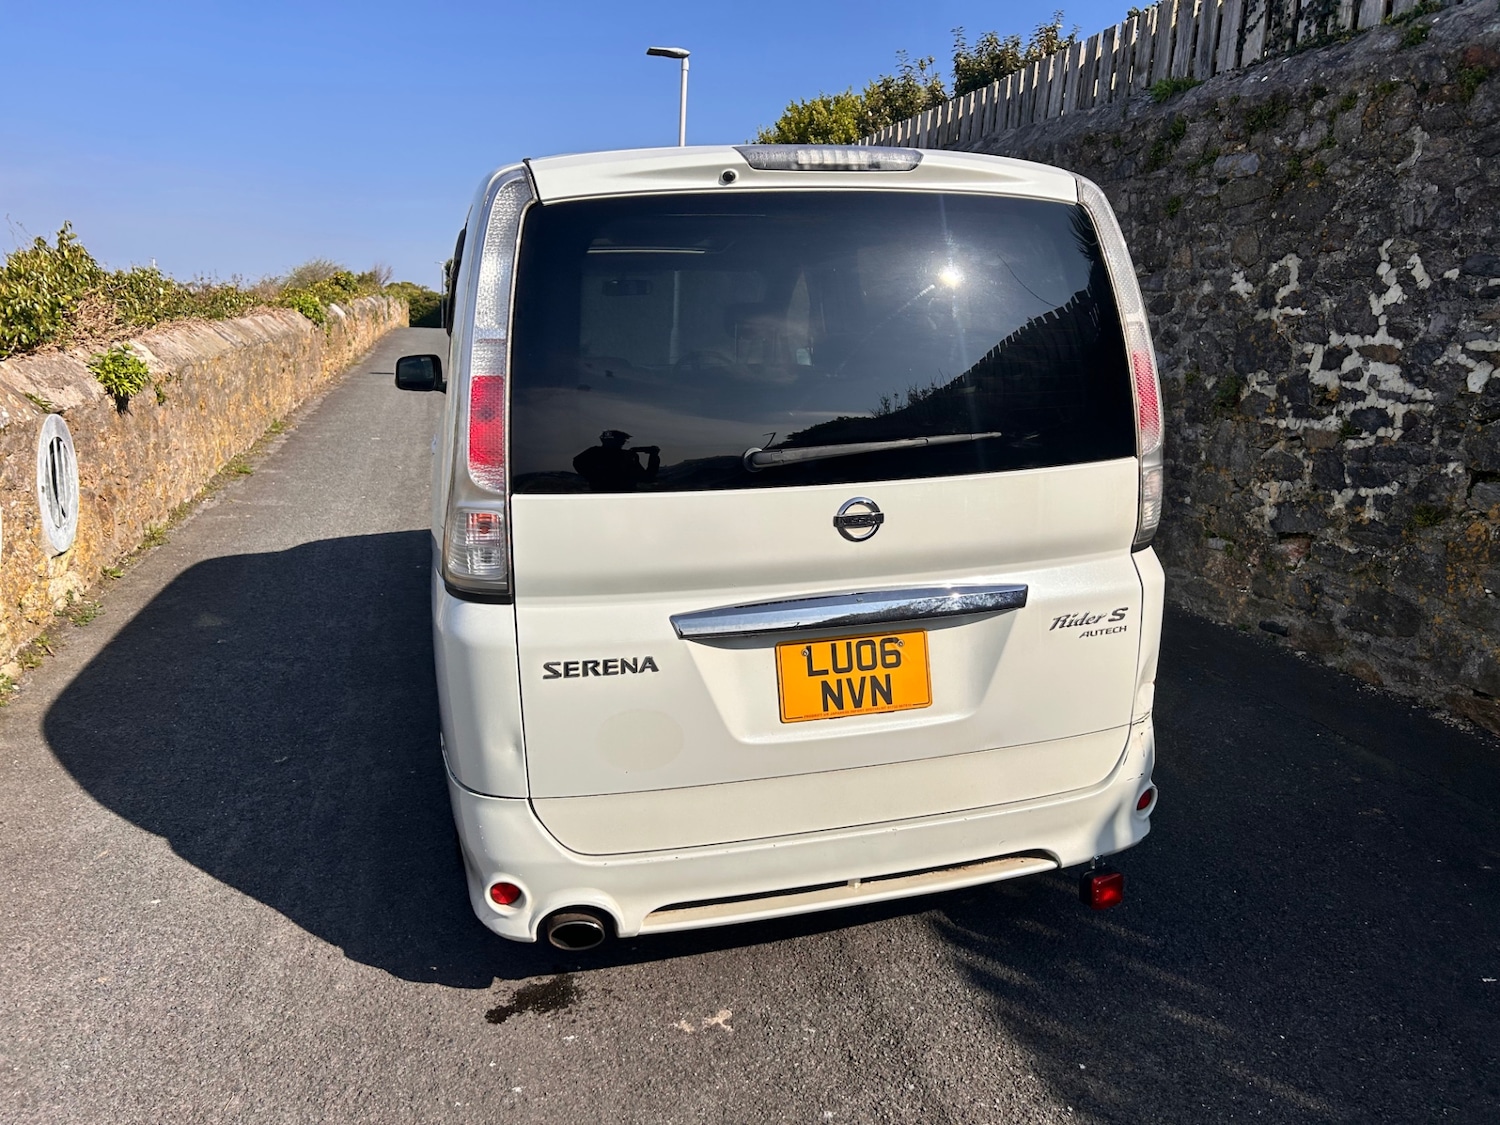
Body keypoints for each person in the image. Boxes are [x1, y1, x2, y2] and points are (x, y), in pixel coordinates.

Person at [572, 430, 661, 492]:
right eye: (622, 441)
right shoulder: (627, 456)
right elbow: (647, 477)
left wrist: (594, 478)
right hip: (623, 497)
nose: (622, 443)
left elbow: (647, 477)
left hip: (602, 495)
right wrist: (654, 456)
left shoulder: (593, 453)